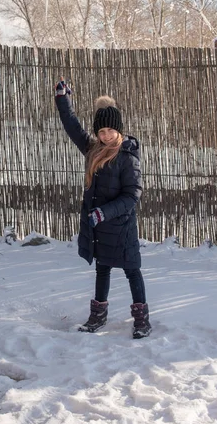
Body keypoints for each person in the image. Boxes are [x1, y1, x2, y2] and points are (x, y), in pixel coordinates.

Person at [55, 78, 151, 339]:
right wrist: (63, 100)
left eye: (110, 130)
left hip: (120, 226)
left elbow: (132, 195)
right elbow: (72, 126)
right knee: (102, 268)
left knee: (132, 269)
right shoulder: (92, 150)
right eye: (101, 131)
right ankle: (98, 316)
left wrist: (104, 212)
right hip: (98, 226)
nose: (106, 135)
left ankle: (142, 319)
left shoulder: (127, 157)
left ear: (119, 130)